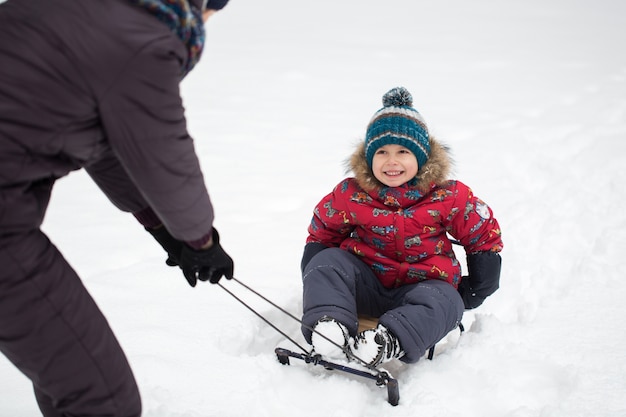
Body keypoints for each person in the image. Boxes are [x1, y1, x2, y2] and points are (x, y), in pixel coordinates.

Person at [0, 0, 233, 416]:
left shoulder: (81, 12)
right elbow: (163, 153)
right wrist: (200, 240)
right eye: (210, 8)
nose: (206, 20)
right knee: (103, 399)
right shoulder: (142, 37)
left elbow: (109, 144)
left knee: (69, 381)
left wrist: (162, 227)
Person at [300, 87, 503, 368]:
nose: (391, 161)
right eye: (381, 151)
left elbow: (483, 236)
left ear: (421, 157)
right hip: (366, 286)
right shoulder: (351, 194)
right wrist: (317, 274)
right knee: (328, 261)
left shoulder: (448, 196)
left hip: (423, 289)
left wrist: (476, 289)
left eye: (403, 151)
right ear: (369, 157)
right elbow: (322, 233)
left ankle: (387, 341)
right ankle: (330, 328)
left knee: (448, 300)